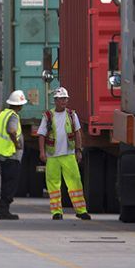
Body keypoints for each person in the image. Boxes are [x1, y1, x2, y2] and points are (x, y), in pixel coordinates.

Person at [38, 87, 91, 220]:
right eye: (61, 99)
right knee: (53, 185)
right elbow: (41, 135)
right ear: (55, 101)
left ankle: (81, 210)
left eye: (65, 99)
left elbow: (78, 133)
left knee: (75, 183)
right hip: (52, 156)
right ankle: (56, 212)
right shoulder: (48, 116)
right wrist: (42, 152)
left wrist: (78, 150)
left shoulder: (72, 115)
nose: (64, 101)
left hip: (68, 155)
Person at [0, 90, 26, 220]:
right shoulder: (13, 116)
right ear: (18, 105)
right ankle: (3, 211)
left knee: (5, 183)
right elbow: (11, 130)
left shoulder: (3, 114)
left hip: (3, 154)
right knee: (10, 184)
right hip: (10, 155)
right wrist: (17, 144)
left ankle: (2, 210)